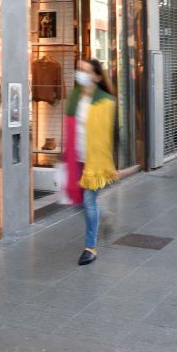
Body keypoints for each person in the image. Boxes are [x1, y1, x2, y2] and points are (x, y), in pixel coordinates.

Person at [62, 59, 118, 266]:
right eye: (79, 69)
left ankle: (90, 248)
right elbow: (69, 128)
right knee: (76, 201)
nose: (80, 73)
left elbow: (107, 135)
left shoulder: (105, 101)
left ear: (95, 76)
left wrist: (105, 162)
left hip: (95, 162)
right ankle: (103, 216)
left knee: (88, 202)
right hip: (75, 158)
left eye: (85, 70)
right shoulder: (75, 97)